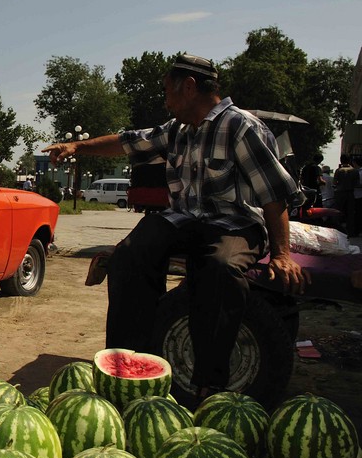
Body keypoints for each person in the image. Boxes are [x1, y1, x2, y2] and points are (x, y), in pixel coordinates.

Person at [42, 54, 308, 401]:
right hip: (183, 218)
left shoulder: (241, 127)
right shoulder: (177, 130)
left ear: (189, 87)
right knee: (128, 256)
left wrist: (282, 254)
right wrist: (77, 145)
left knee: (220, 269)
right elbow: (126, 141)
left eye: (168, 91)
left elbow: (274, 197)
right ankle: (127, 363)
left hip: (234, 222)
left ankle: (209, 381)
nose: (165, 100)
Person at [333, 154, 357, 235]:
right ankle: (351, 231)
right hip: (350, 193)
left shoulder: (338, 170)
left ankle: (337, 231)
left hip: (339, 193)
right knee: (350, 212)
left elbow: (334, 183)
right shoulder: (354, 170)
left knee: (337, 212)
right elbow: (357, 184)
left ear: (341, 160)